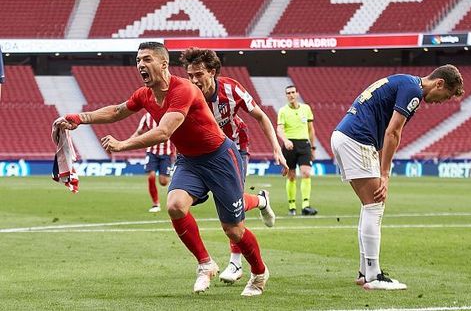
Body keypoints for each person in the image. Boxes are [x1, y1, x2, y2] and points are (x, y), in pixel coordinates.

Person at [55, 42, 288, 296]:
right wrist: (78, 118)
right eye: (137, 61)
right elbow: (118, 111)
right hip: (190, 161)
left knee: (233, 229)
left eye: (146, 59)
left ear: (163, 64)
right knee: (175, 206)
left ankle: (259, 272)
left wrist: (123, 145)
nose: (140, 65)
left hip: (221, 157)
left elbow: (164, 131)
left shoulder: (183, 90)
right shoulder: (145, 94)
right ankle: (205, 264)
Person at [331, 65, 464, 290]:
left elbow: (385, 134)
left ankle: (365, 272)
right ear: (439, 83)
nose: (443, 101)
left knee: (370, 205)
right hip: (357, 139)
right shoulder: (413, 91)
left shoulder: (405, 82)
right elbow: (393, 132)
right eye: (446, 96)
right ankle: (373, 275)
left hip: (346, 136)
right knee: (375, 205)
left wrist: (384, 171)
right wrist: (385, 174)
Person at [179, 47, 288, 284]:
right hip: (203, 154)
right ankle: (261, 200)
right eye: (190, 76)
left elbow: (260, 116)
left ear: (213, 71)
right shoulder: (185, 93)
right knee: (206, 201)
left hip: (235, 148)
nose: (194, 80)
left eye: (199, 74)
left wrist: (276, 148)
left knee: (233, 203)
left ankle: (236, 263)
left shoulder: (231, 88)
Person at [277, 85, 318, 216]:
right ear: (286, 96)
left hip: (304, 144)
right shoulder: (283, 111)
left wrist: (313, 147)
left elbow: (311, 129)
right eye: (288, 93)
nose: (291, 95)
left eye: (293, 92)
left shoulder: (306, 109)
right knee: (291, 175)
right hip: (290, 145)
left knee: (306, 173)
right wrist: (286, 140)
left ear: (297, 94)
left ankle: (306, 205)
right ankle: (292, 206)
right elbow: (279, 129)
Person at [131, 112, 176, 213]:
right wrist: (125, 143)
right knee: (151, 176)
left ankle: (177, 184)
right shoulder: (147, 116)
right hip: (151, 152)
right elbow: (139, 132)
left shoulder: (170, 114)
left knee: (163, 182)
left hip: (166, 153)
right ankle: (155, 204)